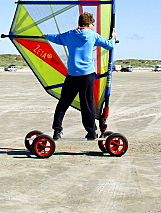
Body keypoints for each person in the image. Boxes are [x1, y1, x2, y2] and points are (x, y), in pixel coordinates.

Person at [43, 12, 117, 140]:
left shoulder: (70, 35)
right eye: (93, 24)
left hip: (72, 75)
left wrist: (45, 36)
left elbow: (56, 38)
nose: (93, 26)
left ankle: (57, 130)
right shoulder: (92, 36)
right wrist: (113, 37)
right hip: (87, 75)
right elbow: (109, 45)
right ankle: (91, 132)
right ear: (88, 24)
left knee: (63, 103)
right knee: (87, 104)